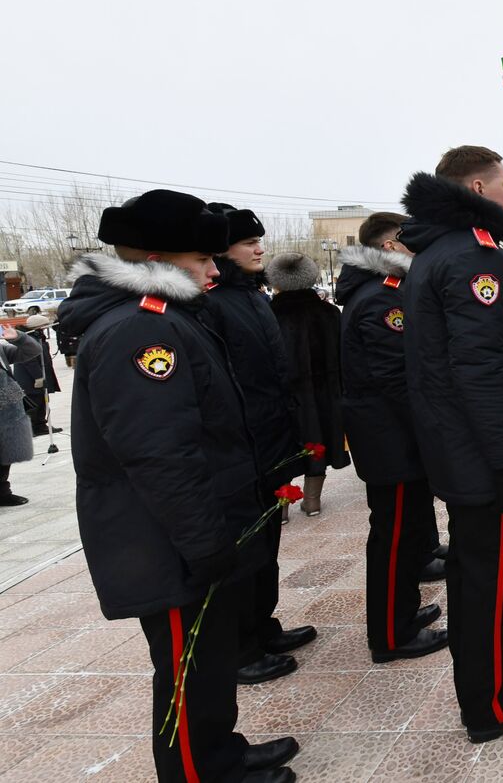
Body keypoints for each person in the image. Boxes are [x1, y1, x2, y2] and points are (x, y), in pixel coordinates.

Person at [57, 189, 298, 782]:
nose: (215, 271)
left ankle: (221, 750)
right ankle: (201, 771)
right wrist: (205, 542)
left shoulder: (163, 319)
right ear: (159, 260)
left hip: (193, 531)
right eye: (202, 261)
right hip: (168, 541)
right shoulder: (141, 332)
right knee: (188, 668)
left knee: (211, 659)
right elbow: (159, 453)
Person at [400, 146, 503, 742]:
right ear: (476, 187)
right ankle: (493, 707)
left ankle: (497, 672)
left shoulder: (444, 250)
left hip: (463, 451)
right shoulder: (472, 257)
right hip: (485, 460)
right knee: (491, 582)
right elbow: (482, 372)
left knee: (481, 577)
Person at [202, 204, 314, 684]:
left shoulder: (249, 295)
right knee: (244, 553)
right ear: (220, 250)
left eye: (259, 241)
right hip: (240, 447)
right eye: (248, 243)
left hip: (269, 439)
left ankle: (263, 627)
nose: (259, 250)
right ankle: (241, 648)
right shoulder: (214, 302)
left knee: (267, 545)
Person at [336, 212, 450, 662]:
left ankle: (402, 613)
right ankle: (390, 634)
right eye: (410, 241)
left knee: (399, 534)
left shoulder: (382, 292)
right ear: (388, 247)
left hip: (390, 436)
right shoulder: (381, 299)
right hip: (390, 439)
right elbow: (398, 379)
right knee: (393, 538)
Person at [265, 252, 348, 516]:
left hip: (284, 396)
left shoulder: (268, 314)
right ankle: (312, 501)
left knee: (283, 450)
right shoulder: (329, 312)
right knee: (318, 442)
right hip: (326, 394)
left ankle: (281, 510)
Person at [0, 323, 41, 507]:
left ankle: (3, 492)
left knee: (4, 455)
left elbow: (32, 350)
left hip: (6, 411)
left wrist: (18, 337)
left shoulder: (1, 350)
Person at [15, 314, 61, 435]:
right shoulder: (27, 340)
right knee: (34, 404)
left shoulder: (39, 339)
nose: (45, 329)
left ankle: (41, 425)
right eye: (44, 327)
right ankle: (32, 428)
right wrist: (38, 377)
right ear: (38, 327)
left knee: (42, 401)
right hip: (30, 379)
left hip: (40, 375)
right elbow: (29, 361)